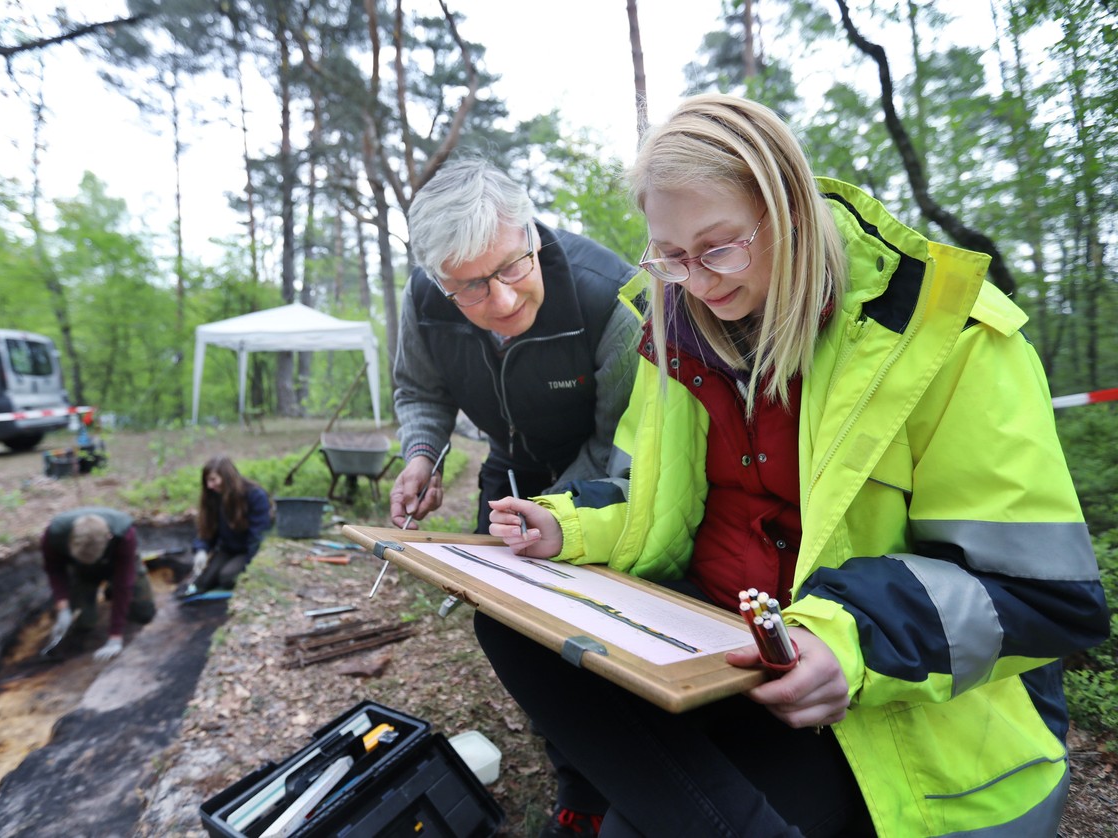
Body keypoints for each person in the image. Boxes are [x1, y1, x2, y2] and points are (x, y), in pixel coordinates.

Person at [481, 93, 1110, 837]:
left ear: (788, 212)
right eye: (673, 256)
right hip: (719, 643)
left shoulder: (945, 338)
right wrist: (562, 525)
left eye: (718, 248)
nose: (701, 282)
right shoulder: (673, 332)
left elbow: (1045, 597)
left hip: (874, 702)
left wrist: (846, 642)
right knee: (511, 620)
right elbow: (647, 496)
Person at [389, 157, 643, 836]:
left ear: (532, 235)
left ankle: (631, 782)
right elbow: (421, 390)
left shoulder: (608, 295)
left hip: (599, 487)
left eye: (512, 269)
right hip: (506, 479)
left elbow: (626, 438)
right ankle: (573, 776)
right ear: (439, 278)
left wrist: (559, 514)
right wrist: (423, 456)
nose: (499, 302)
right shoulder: (424, 299)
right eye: (470, 287)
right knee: (513, 630)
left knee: (594, 636)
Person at [41, 506, 156, 662]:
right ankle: (84, 607)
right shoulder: (53, 536)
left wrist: (115, 636)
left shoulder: (124, 534)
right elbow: (54, 570)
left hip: (118, 565)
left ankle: (111, 592)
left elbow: (124, 585)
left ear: (109, 537)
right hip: (81, 572)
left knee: (145, 613)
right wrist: (63, 608)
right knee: (82, 624)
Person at [185, 455, 273, 595]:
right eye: (207, 481)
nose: (209, 486)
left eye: (213, 480)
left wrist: (252, 566)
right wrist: (201, 549)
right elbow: (207, 529)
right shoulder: (213, 496)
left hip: (248, 549)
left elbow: (258, 536)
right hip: (227, 548)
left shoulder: (255, 495)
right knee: (204, 581)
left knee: (227, 577)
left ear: (226, 477)